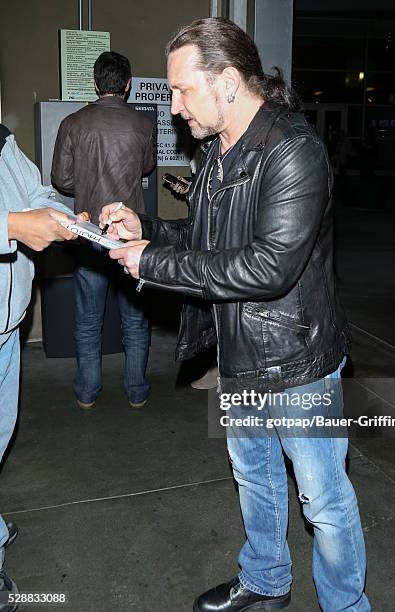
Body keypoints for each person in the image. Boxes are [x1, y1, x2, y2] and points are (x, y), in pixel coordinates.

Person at [101, 18, 370, 612]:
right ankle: (268, 580)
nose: (173, 107)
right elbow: (204, 238)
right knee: (254, 479)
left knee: (323, 503)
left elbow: (268, 267)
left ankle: (347, 606)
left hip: (298, 362)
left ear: (226, 80)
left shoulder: (293, 150)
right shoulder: (216, 153)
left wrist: (154, 266)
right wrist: (147, 229)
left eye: (181, 90)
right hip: (238, 353)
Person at [51, 51, 155, 410]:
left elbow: (61, 180)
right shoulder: (143, 124)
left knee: (88, 320)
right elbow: (148, 166)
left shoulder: (73, 123)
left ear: (95, 83)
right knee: (136, 321)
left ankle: (87, 394)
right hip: (130, 236)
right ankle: (137, 392)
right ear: (128, 84)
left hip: (90, 234)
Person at [0, 124, 76, 610]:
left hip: (8, 330)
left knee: (0, 435)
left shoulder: (3, 141)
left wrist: (60, 213)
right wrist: (11, 225)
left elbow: (38, 189)